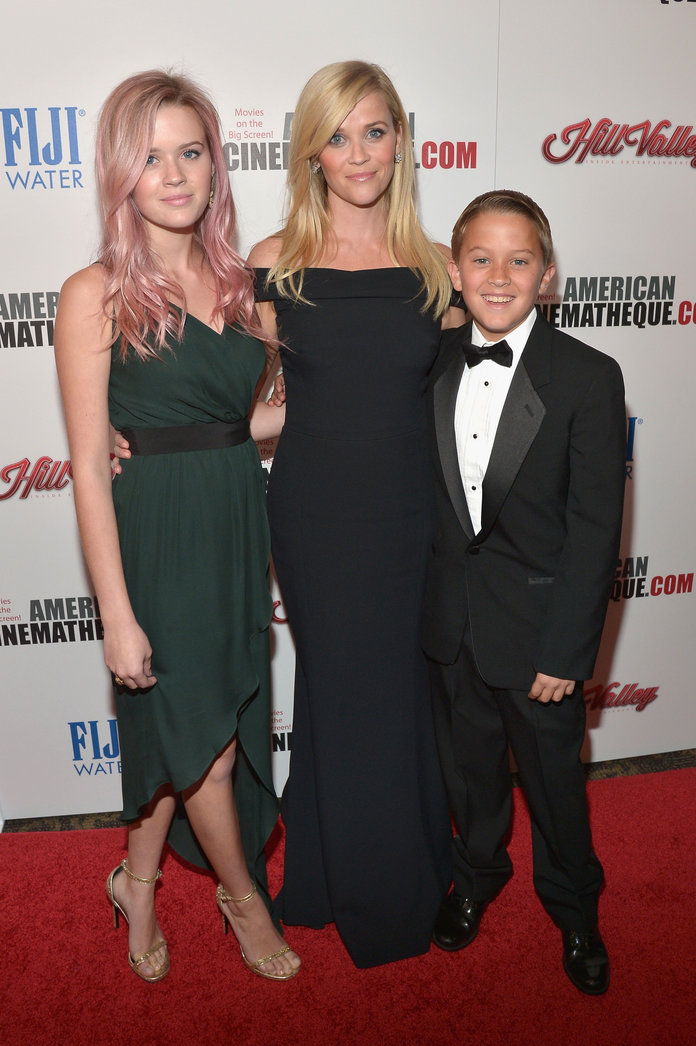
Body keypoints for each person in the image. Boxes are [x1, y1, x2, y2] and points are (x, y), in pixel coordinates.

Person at [54, 70, 299, 983]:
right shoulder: (95, 293)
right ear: (121, 171)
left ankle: (140, 882)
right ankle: (245, 903)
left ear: (215, 164)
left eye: (190, 151)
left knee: (185, 731)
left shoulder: (245, 285)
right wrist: (116, 613)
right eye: (150, 155)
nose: (172, 173)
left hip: (235, 525)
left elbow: (248, 422)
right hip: (155, 535)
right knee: (215, 746)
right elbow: (86, 463)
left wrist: (344, 407)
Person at [248, 60, 462, 968]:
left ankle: (388, 871)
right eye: (338, 135)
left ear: (401, 141)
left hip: (414, 512)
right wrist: (156, 440)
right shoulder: (271, 264)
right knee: (337, 685)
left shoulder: (441, 269)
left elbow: (463, 412)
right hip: (316, 513)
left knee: (398, 689)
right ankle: (339, 877)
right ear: (311, 154)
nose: (359, 152)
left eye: (375, 130)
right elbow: (260, 406)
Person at [423, 190, 625, 994]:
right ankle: (475, 878)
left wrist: (567, 651)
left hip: (540, 639)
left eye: (519, 260)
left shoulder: (588, 376)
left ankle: (577, 911)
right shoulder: (431, 360)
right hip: (450, 629)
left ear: (547, 274)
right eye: (481, 258)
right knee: (468, 776)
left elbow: (595, 529)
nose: (498, 276)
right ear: (453, 268)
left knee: (556, 790)